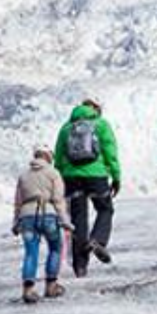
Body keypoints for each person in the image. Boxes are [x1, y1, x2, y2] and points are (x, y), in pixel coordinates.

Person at [56, 98, 122, 276]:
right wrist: (116, 177)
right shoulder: (101, 125)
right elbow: (110, 153)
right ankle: (98, 240)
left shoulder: (66, 128)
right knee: (105, 209)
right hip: (96, 176)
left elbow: (59, 157)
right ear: (95, 109)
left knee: (78, 219)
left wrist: (60, 180)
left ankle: (80, 266)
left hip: (71, 178)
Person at [12, 147, 67, 302]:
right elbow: (58, 199)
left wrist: (16, 222)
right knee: (55, 248)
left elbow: (18, 202)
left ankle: (28, 290)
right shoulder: (53, 173)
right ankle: (51, 286)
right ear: (49, 157)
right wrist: (64, 220)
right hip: (48, 214)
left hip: (27, 216)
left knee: (31, 252)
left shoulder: (23, 175)